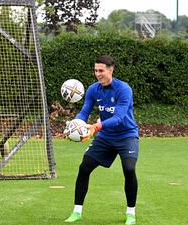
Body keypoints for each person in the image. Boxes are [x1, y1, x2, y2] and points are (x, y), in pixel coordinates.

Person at [64, 55, 139, 225]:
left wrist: (95, 127)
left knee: (129, 169)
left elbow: (119, 118)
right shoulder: (93, 89)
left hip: (126, 135)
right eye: (96, 70)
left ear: (111, 70)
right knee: (84, 168)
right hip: (105, 137)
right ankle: (77, 212)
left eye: (101, 70)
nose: (98, 74)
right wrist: (76, 126)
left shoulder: (123, 89)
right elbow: (84, 111)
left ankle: (131, 213)